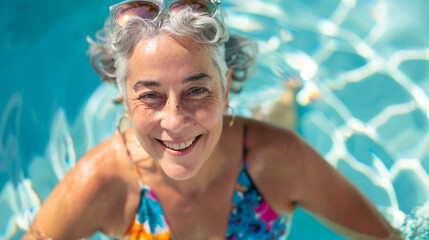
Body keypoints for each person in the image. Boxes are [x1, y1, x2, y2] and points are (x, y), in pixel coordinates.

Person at [24, 0, 403, 239]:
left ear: (226, 84)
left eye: (197, 90)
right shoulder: (100, 185)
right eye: (150, 96)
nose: (174, 121)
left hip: (255, 145)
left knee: (278, 123)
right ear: (124, 100)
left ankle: (286, 98)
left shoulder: (278, 159)